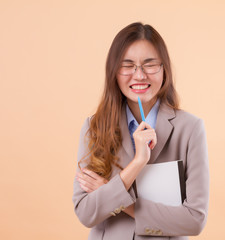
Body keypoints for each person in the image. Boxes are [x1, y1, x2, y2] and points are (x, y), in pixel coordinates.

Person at [72, 22, 209, 240]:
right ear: (114, 72)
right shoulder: (94, 128)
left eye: (150, 64)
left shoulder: (190, 129)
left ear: (164, 69)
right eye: (127, 65)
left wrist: (115, 195)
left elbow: (194, 220)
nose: (139, 75)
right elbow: (86, 213)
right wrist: (137, 163)